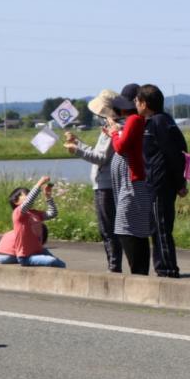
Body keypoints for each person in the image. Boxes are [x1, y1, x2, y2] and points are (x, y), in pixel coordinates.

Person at [64, 89, 123, 272]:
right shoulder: (111, 128)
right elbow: (100, 154)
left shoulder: (111, 130)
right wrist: (78, 143)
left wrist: (77, 150)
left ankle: (113, 267)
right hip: (107, 184)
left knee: (108, 230)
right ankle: (114, 265)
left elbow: (100, 158)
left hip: (105, 186)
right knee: (109, 229)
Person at [137, 84, 188, 278]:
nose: (136, 105)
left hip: (161, 184)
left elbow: (175, 154)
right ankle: (162, 267)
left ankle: (167, 270)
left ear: (144, 103)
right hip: (157, 183)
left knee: (161, 229)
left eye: (137, 101)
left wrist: (180, 183)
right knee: (157, 228)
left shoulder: (159, 123)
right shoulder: (162, 120)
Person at [106, 83, 155, 275]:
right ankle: (140, 272)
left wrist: (114, 133)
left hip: (133, 183)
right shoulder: (136, 121)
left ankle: (138, 273)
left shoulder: (134, 120)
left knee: (127, 228)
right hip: (133, 182)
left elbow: (120, 147)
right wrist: (117, 132)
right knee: (134, 229)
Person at [0, 176, 66, 267]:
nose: (29, 196)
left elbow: (53, 213)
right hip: (25, 256)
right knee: (52, 261)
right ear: (16, 201)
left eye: (29, 194)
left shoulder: (35, 214)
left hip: (35, 250)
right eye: (26, 194)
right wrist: (39, 183)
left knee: (60, 263)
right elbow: (28, 202)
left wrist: (48, 197)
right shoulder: (18, 214)